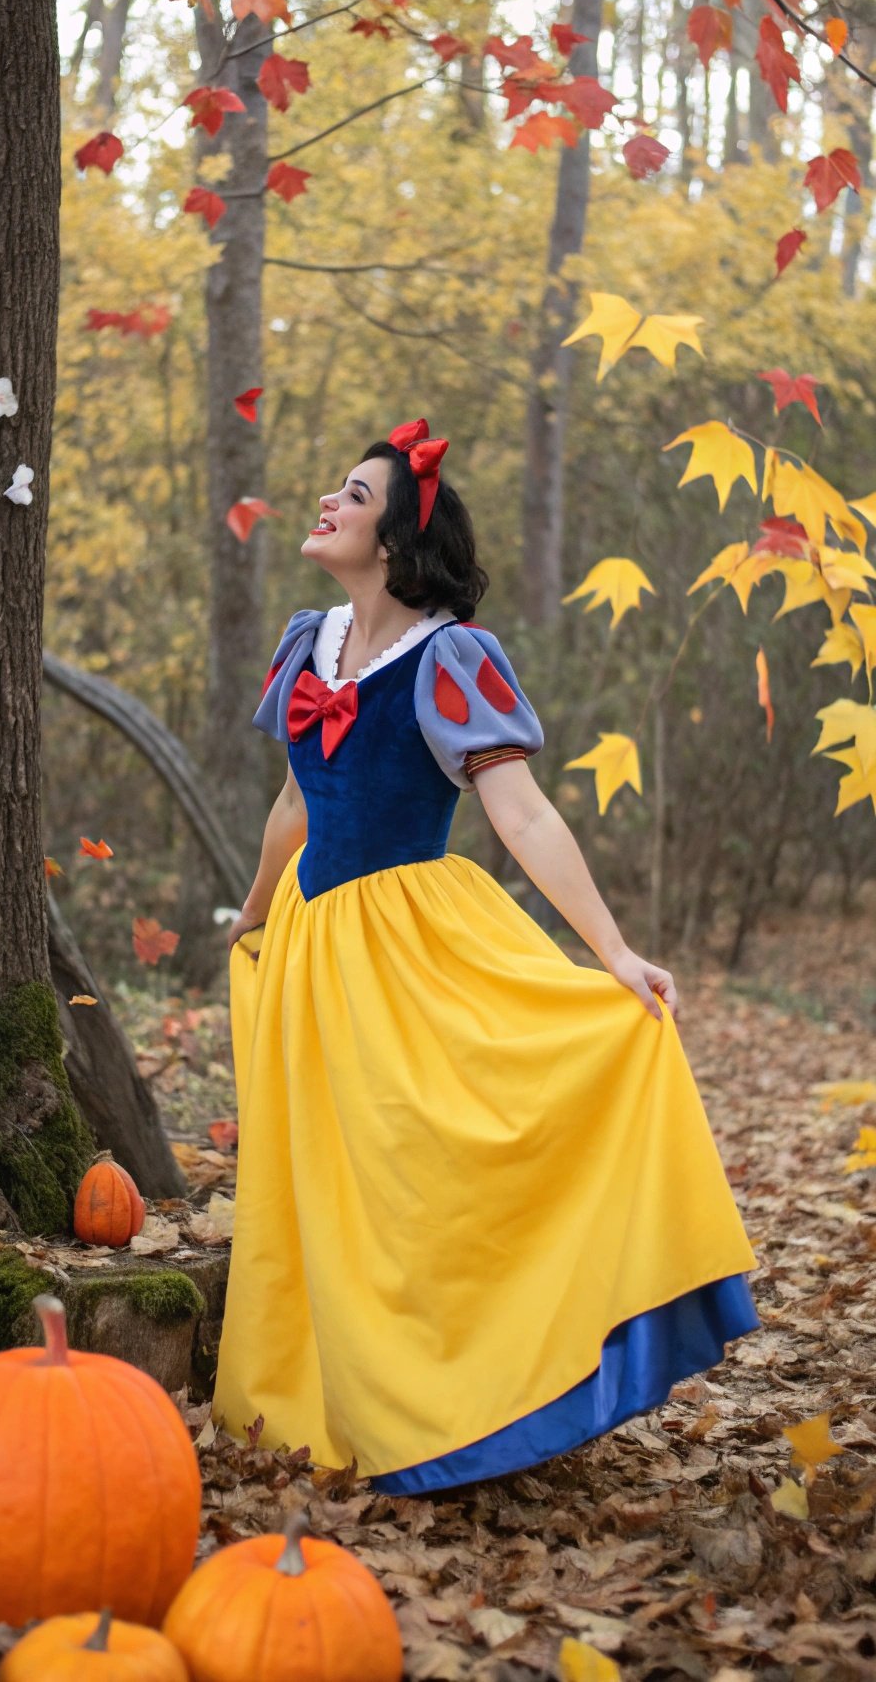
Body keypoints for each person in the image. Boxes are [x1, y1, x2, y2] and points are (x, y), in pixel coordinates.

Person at [211, 419, 760, 1495]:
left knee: (426, 1166)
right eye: (335, 485)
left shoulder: (450, 653)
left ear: (397, 531)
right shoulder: (303, 642)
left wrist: (611, 948)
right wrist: (257, 908)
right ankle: (341, 1388)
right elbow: (290, 801)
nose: (328, 501)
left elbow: (522, 812)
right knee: (338, 1182)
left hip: (417, 942)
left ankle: (463, 1394)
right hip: (319, 946)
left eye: (354, 493)